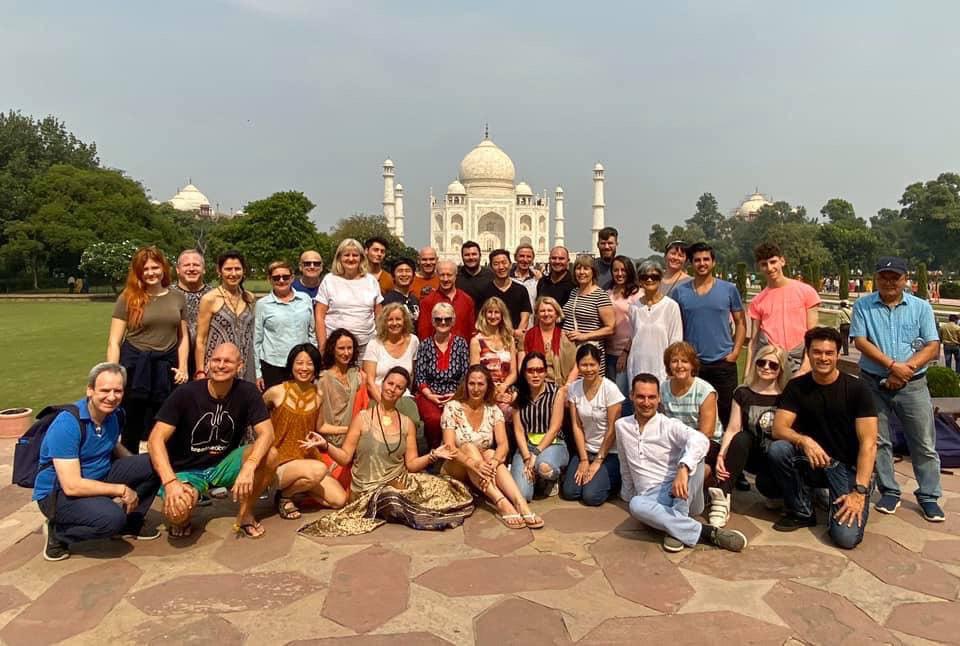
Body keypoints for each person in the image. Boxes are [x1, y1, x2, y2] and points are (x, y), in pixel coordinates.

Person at [299, 367, 473, 537]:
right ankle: (423, 518)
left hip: (400, 483)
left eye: (399, 387)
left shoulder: (407, 423)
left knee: (446, 489)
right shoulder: (362, 418)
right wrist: (325, 445)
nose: (393, 389)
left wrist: (433, 455)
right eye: (390, 383)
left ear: (403, 392)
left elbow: (411, 465)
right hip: (366, 491)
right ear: (383, 384)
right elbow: (345, 458)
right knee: (391, 498)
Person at [148, 343, 277, 539]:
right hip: (187, 470)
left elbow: (267, 433)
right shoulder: (186, 394)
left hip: (222, 465)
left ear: (239, 366)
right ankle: (184, 513)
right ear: (208, 364)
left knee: (271, 455)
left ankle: (245, 514)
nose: (221, 365)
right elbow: (155, 439)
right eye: (216, 360)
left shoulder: (247, 392)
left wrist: (250, 466)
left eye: (228, 361)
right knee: (177, 513)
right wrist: (170, 481)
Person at [34, 363, 162, 562]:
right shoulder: (68, 424)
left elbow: (112, 445)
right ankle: (58, 533)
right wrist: (120, 489)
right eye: (104, 390)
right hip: (58, 494)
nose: (111, 397)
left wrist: (139, 468)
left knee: (157, 463)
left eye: (117, 391)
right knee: (111, 520)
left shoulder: (115, 414)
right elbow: (72, 486)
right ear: (90, 390)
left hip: (99, 474)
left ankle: (131, 523)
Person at [850, 257, 944, 522]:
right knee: (877, 440)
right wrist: (892, 365)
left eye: (895, 277)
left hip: (912, 384)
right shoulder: (864, 306)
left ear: (905, 279)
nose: (889, 282)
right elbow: (860, 341)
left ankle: (928, 495)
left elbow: (932, 346)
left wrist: (905, 370)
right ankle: (889, 490)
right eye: (884, 276)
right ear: (876, 278)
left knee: (923, 442)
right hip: (873, 381)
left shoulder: (920, 307)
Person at [768, 327, 879, 549]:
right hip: (813, 460)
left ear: (838, 354)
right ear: (807, 353)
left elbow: (869, 444)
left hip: (846, 467)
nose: (823, 358)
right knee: (778, 450)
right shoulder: (797, 387)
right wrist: (804, 441)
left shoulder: (857, 389)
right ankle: (803, 510)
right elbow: (779, 428)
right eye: (817, 352)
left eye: (829, 353)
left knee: (845, 539)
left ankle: (840, 496)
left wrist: (859, 491)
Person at [617, 374, 748, 553]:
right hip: (650, 498)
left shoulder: (669, 425)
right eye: (641, 396)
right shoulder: (622, 426)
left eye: (652, 397)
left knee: (696, 457)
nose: (646, 402)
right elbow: (625, 463)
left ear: (659, 398)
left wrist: (683, 468)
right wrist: (628, 493)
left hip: (681, 493)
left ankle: (676, 524)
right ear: (631, 395)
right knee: (636, 505)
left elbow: (701, 440)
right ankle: (705, 532)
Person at [106, 246, 189, 453]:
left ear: (163, 268)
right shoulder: (128, 297)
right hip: (136, 365)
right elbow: (114, 341)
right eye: (145, 269)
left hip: (166, 366)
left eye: (155, 267)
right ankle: (129, 468)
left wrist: (184, 367)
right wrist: (112, 373)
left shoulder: (177, 297)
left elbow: (183, 336)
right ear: (138, 272)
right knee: (132, 421)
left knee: (166, 421)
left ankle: (165, 467)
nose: (151, 273)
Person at [441, 365, 544, 529]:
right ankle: (501, 502)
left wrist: (495, 462)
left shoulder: (493, 410)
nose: (475, 389)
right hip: (457, 466)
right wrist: (474, 463)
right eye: (471, 383)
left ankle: (520, 503)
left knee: (490, 452)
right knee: (468, 447)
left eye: (480, 384)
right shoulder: (452, 407)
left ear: (488, 386)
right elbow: (449, 447)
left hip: (483, 469)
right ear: (465, 385)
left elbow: (503, 444)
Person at [262, 344, 348, 519]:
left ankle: (295, 490)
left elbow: (321, 427)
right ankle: (285, 496)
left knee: (340, 500)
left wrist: (350, 429)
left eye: (309, 364)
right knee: (318, 470)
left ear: (315, 368)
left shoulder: (318, 395)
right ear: (291, 365)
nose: (304, 368)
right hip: (279, 463)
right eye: (299, 363)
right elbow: (255, 418)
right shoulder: (275, 392)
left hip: (307, 459)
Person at [712, 345, 791, 523]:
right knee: (741, 437)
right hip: (751, 454)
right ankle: (722, 496)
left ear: (781, 370)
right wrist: (722, 454)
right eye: (762, 362)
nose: (766, 367)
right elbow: (733, 428)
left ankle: (783, 494)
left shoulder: (787, 395)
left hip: (775, 459)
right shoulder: (742, 393)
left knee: (771, 492)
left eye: (773, 365)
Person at [673, 242, 746, 427]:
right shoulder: (680, 292)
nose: (702, 263)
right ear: (691, 264)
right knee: (693, 412)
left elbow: (740, 322)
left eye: (706, 259)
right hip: (694, 364)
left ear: (713, 262)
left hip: (723, 362)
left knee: (726, 412)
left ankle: (725, 453)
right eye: (697, 260)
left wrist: (735, 352)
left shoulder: (728, 289)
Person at [562, 344, 625, 506]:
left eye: (592, 364)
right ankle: (592, 477)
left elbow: (612, 429)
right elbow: (576, 425)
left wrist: (598, 461)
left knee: (591, 497)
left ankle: (614, 480)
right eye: (584, 364)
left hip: (609, 452)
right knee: (571, 492)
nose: (588, 369)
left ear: (599, 365)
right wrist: (583, 459)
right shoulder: (574, 388)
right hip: (586, 450)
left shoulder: (610, 390)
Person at [747, 242, 821, 375]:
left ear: (782, 261)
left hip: (799, 360)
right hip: (770, 364)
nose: (769, 268)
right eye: (764, 264)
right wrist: (747, 374)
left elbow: (813, 334)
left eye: (773, 262)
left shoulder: (806, 292)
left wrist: (806, 366)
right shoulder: (757, 301)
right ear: (759, 267)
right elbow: (754, 341)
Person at [510, 352, 569, 501]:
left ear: (545, 372)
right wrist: (526, 457)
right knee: (523, 495)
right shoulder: (517, 394)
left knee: (543, 467)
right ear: (524, 373)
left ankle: (551, 478)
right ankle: (533, 479)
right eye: (531, 371)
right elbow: (518, 430)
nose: (535, 375)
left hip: (552, 445)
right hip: (526, 447)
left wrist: (535, 455)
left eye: (539, 370)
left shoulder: (556, 392)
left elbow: (555, 427)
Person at [414, 302, 471, 449]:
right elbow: (420, 377)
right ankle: (435, 452)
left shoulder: (461, 344)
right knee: (434, 419)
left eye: (447, 319)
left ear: (453, 321)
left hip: (456, 394)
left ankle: (454, 453)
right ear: (433, 321)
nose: (443, 322)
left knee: (456, 417)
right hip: (430, 395)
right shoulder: (425, 345)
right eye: (438, 319)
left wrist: (455, 395)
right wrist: (430, 395)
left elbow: (465, 375)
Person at [315, 238, 383, 357]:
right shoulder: (329, 280)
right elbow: (319, 316)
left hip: (366, 346)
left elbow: (379, 315)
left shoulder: (371, 281)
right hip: (336, 347)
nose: (351, 259)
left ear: (361, 258)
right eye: (346, 255)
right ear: (339, 258)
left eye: (355, 255)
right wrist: (322, 346)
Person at [195, 250, 256, 383]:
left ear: (243, 271)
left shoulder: (249, 298)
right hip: (218, 367)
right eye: (228, 269)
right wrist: (200, 371)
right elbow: (201, 340)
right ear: (219, 271)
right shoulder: (210, 299)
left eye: (237, 269)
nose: (233, 274)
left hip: (244, 366)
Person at [254, 260, 315, 391]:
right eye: (276, 277)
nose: (281, 280)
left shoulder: (305, 299)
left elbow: (312, 333)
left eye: (285, 277)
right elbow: (257, 341)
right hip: (274, 365)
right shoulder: (263, 304)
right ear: (270, 279)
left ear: (292, 278)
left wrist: (314, 362)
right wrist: (258, 373)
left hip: (301, 365)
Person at [315, 328, 365, 489]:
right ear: (332, 350)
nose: (346, 353)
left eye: (349, 348)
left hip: (356, 441)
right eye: (341, 348)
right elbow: (320, 427)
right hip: (331, 442)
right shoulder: (323, 380)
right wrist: (349, 430)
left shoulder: (357, 375)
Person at [362, 303, 421, 426]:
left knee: (412, 422)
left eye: (398, 319)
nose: (394, 323)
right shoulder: (374, 344)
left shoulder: (413, 341)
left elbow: (412, 375)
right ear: (384, 322)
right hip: (379, 396)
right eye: (390, 320)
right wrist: (386, 405)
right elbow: (369, 382)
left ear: (404, 321)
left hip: (403, 396)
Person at [625, 260, 683, 384]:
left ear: (660, 279)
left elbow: (676, 342)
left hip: (662, 369)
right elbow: (632, 338)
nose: (649, 280)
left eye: (654, 277)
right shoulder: (634, 307)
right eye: (645, 277)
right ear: (640, 280)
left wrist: (672, 369)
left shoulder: (671, 306)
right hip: (637, 367)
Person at [562, 255, 615, 376]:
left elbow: (610, 328)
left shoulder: (600, 295)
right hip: (571, 352)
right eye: (578, 268)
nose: (581, 272)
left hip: (589, 353)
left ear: (593, 272)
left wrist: (584, 336)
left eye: (586, 268)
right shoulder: (574, 292)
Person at [470, 297, 518, 415]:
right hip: (484, 390)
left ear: (502, 316)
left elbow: (513, 372)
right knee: (503, 412)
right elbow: (475, 374)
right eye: (489, 312)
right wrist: (494, 391)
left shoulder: (509, 340)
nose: (493, 316)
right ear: (484, 315)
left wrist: (503, 386)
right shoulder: (476, 340)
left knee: (518, 409)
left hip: (506, 388)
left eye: (496, 312)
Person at [606, 255, 642, 410]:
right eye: (616, 270)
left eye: (623, 270)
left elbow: (638, 327)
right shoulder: (608, 292)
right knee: (610, 398)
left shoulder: (637, 295)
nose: (619, 274)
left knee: (622, 399)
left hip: (627, 352)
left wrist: (625, 352)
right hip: (608, 351)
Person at [171, 248, 212, 378]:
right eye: (186, 265)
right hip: (174, 359)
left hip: (208, 360)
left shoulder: (214, 295)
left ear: (204, 269)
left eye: (196, 265)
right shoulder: (167, 294)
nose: (191, 268)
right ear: (178, 270)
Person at [523, 296, 578, 386]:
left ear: (556, 313)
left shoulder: (566, 337)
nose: (546, 314)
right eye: (542, 311)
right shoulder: (527, 336)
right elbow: (522, 366)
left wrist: (567, 387)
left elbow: (575, 366)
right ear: (537, 314)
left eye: (550, 310)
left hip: (562, 385)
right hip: (533, 386)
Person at [478, 249, 532, 339]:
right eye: (496, 264)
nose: (501, 267)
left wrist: (515, 335)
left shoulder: (521, 289)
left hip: (515, 340)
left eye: (504, 262)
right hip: (491, 340)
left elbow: (525, 317)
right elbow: (481, 319)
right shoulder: (484, 291)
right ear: (490, 267)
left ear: (510, 265)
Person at [417, 259, 476, 341]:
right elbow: (424, 333)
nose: (445, 279)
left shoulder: (467, 300)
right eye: (442, 275)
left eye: (449, 275)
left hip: (463, 351)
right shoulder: (428, 301)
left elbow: (471, 331)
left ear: (455, 276)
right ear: (437, 275)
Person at [382, 257, 421, 327]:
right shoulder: (387, 301)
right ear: (393, 276)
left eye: (408, 271)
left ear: (413, 275)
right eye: (400, 271)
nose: (404, 274)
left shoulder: (414, 299)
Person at [456, 240, 494, 307]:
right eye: (467, 255)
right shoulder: (455, 275)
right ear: (462, 257)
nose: (471, 257)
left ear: (480, 255)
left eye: (474, 254)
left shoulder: (491, 276)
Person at [510, 243, 540, 310]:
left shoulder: (537, 280)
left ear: (533, 259)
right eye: (522, 256)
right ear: (515, 257)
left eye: (529, 257)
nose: (525, 260)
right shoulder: (507, 279)